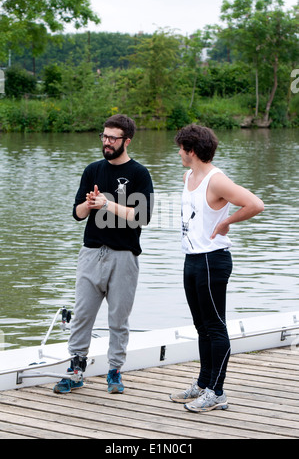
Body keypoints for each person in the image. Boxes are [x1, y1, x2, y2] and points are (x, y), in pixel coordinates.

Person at [54, 114, 154, 394]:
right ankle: (75, 369)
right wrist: (89, 205)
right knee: (83, 314)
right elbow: (77, 213)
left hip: (124, 256)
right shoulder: (93, 170)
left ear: (127, 141)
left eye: (113, 138)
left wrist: (107, 204)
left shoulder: (139, 174)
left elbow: (142, 217)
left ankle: (115, 371)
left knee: (118, 319)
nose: (107, 142)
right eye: (104, 136)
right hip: (91, 253)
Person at [170, 124, 264, 412]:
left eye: (181, 148)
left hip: (213, 260)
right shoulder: (188, 176)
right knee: (201, 327)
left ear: (192, 151)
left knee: (215, 326)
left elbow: (255, 204)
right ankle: (202, 383)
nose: (179, 152)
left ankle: (217, 392)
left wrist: (226, 223)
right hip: (192, 258)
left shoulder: (216, 180)